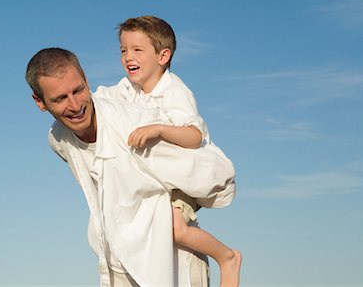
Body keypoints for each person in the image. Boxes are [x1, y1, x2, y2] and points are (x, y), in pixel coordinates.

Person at [25, 47, 236, 286]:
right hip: (119, 266)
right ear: (39, 102)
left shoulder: (132, 126)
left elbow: (213, 170)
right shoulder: (58, 139)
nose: (75, 105)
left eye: (78, 90)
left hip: (174, 264)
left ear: (86, 79)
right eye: (60, 98)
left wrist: (180, 211)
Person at [96, 15, 242, 287]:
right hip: (161, 177)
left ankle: (227, 257)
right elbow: (102, 100)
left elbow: (194, 135)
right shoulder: (127, 89)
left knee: (176, 230)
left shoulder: (173, 90)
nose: (128, 57)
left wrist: (159, 129)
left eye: (137, 50)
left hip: (186, 177)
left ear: (163, 55)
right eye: (123, 50)